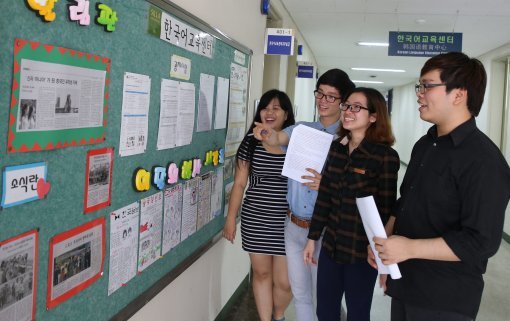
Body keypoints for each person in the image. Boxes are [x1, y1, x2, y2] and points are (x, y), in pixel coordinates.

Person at [369, 52, 510, 321]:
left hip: (444, 298)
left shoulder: (484, 161)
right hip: (405, 283)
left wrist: (409, 248)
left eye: (427, 85)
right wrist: (383, 245)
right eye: (419, 86)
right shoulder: (426, 144)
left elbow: (481, 242)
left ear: (459, 94)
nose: (419, 94)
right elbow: (405, 203)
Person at [254, 68, 355, 321]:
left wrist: (328, 184)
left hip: (327, 228)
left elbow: (359, 186)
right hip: (294, 224)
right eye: (320, 94)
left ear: (343, 102)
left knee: (324, 295)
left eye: (331, 96)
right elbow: (278, 138)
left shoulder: (349, 138)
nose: (323, 101)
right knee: (300, 293)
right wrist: (267, 134)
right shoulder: (301, 129)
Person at [304, 87, 400, 321]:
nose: (347, 111)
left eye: (356, 107)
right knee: (325, 311)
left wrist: (383, 259)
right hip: (331, 247)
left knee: (358, 313)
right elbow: (324, 196)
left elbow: (387, 211)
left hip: (361, 253)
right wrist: (312, 238)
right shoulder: (336, 149)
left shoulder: (384, 156)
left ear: (374, 116)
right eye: (346, 105)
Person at [222, 89, 296, 321]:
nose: (270, 112)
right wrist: (231, 219)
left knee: (285, 281)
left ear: (286, 114)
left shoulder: (294, 144)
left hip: (287, 221)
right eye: (265, 107)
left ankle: (279, 314)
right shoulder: (250, 143)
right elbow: (239, 183)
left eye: (276, 108)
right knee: (262, 273)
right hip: (256, 217)